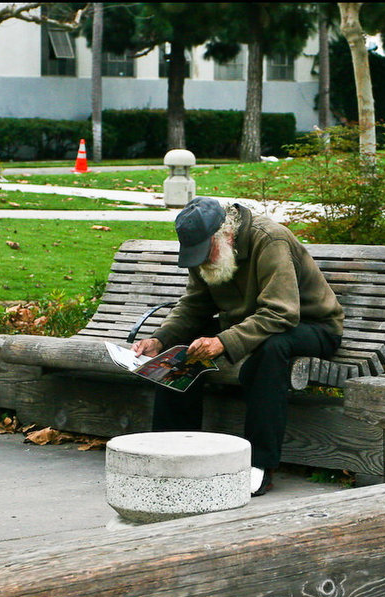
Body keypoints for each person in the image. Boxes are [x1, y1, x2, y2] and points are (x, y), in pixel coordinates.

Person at [132, 197, 344, 496]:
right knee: (179, 351)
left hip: (311, 326)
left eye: (206, 253)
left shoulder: (269, 239)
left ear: (226, 235)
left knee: (270, 351)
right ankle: (172, 451)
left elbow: (282, 313)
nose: (202, 262)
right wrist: (160, 339)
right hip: (253, 324)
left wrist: (223, 342)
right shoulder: (204, 252)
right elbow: (194, 305)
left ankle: (260, 464)